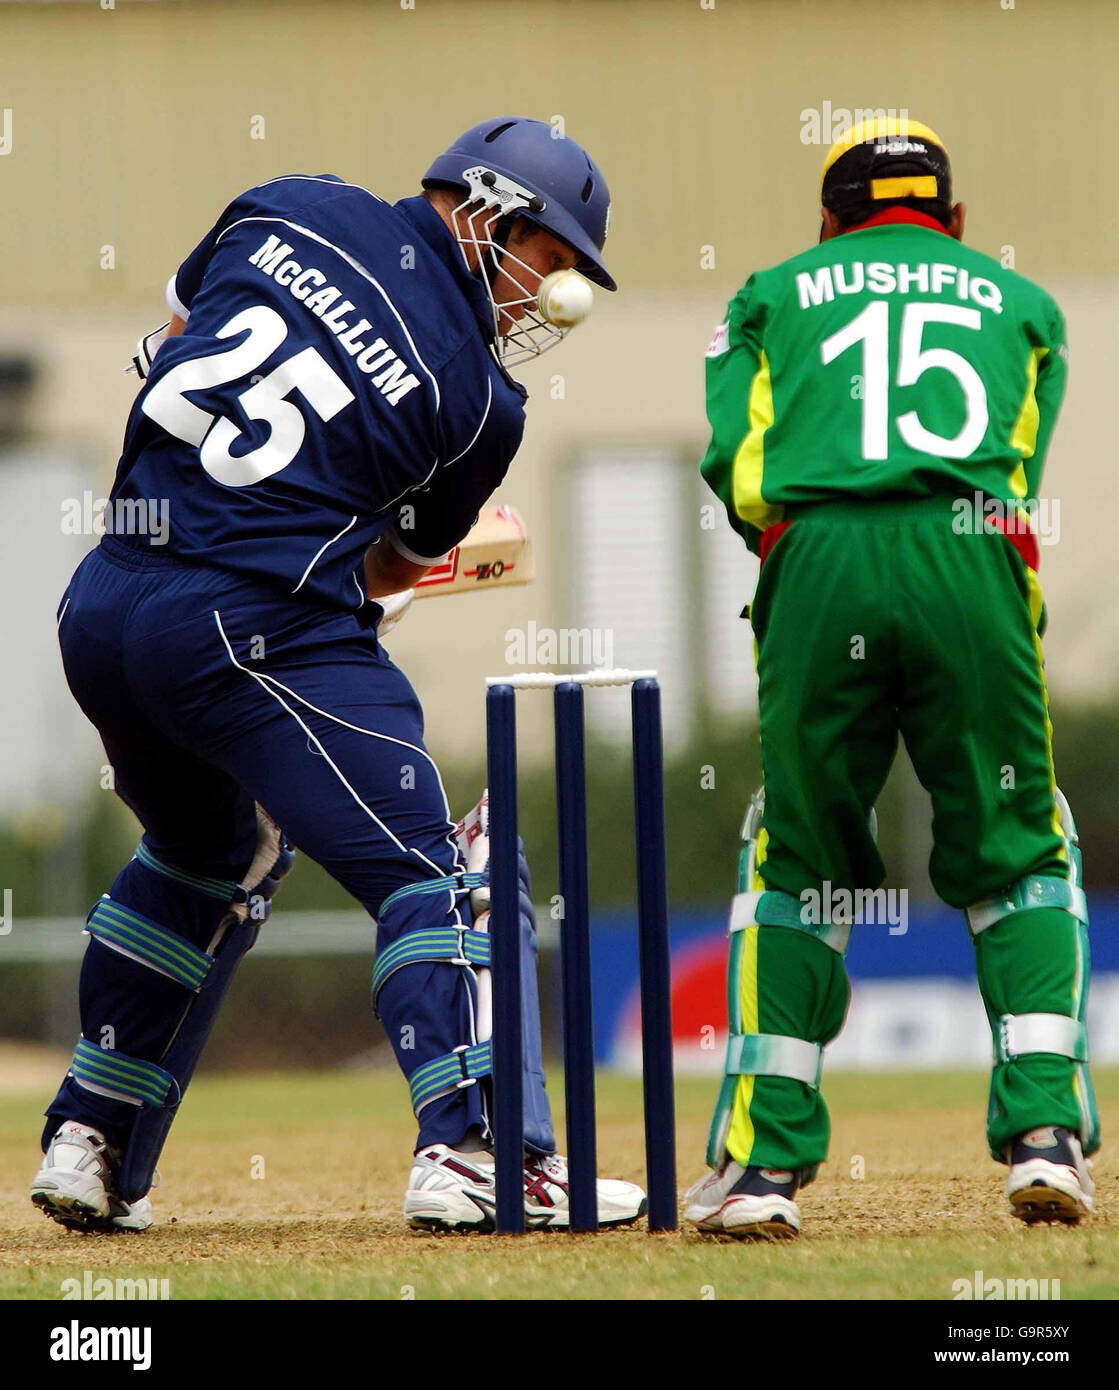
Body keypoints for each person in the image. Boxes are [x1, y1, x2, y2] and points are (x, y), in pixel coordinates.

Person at [31, 116, 646, 1233]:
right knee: (439, 859)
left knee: (207, 853)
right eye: (543, 264)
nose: (537, 301)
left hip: (106, 604)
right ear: (485, 212)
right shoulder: (478, 405)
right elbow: (383, 571)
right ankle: (476, 1154)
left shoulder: (286, 199)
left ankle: (92, 1139)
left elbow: (165, 341)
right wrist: (366, 588)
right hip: (245, 625)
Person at [685, 117, 1098, 1238]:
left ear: (829, 222)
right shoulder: (1027, 307)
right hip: (970, 548)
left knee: (802, 855)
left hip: (819, 558)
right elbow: (1018, 456)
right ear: (954, 222)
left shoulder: (768, 294)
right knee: (1017, 839)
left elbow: (741, 469)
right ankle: (1045, 1137)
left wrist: (824, 536)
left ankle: (764, 1171)